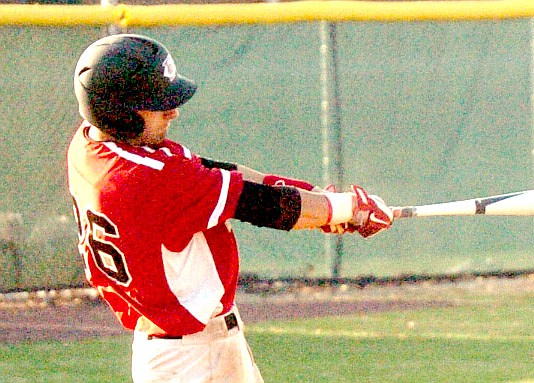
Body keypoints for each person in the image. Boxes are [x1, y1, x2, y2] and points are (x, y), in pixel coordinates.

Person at [67, 33, 393, 383]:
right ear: (119, 112)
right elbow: (263, 206)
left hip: (196, 346)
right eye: (158, 103)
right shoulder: (148, 179)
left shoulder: (92, 147)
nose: (173, 112)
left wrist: (322, 201)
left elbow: (223, 173)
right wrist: (346, 209)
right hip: (187, 359)